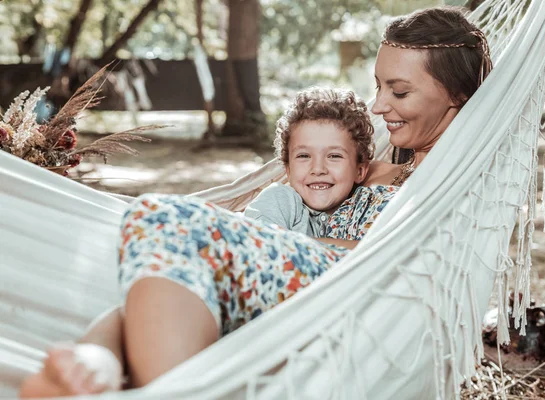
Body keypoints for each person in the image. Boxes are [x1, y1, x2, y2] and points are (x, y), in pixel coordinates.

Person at [20, 6, 492, 398]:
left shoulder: (453, 180)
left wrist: (252, 237)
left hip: (344, 299)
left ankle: (121, 372)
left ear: (458, 96)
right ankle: (97, 362)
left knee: (171, 222)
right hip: (293, 278)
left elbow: (410, 264)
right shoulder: (372, 160)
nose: (377, 105)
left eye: (399, 91)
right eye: (378, 85)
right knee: (166, 239)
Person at [243, 87, 374, 238]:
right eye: (304, 156)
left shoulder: (364, 212)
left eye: (334, 156)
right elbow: (262, 249)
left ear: (360, 170)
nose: (318, 169)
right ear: (289, 170)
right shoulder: (279, 200)